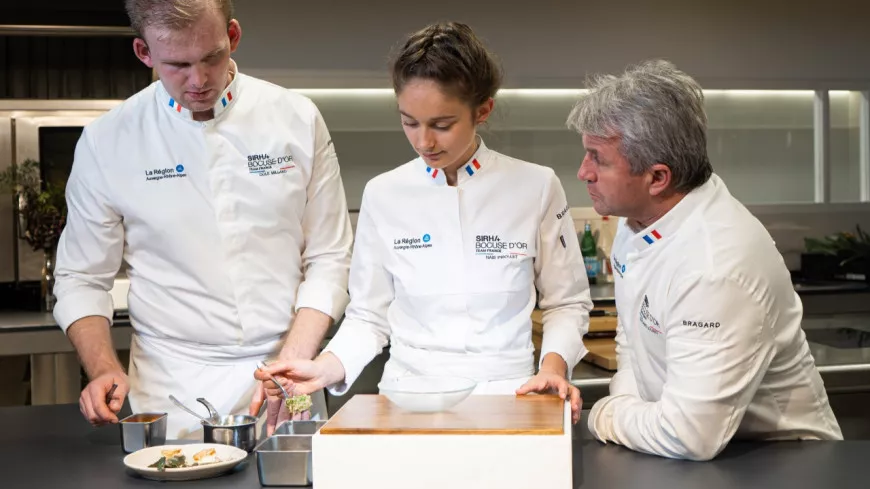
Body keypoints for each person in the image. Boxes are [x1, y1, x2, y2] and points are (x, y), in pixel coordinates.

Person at [256, 22, 591, 423]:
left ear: (483, 109)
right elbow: (368, 315)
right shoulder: (384, 194)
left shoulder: (536, 186)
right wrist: (326, 366)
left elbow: (566, 303)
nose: (423, 142)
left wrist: (552, 368)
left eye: (442, 125)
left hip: (507, 396)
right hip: (407, 398)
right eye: (409, 122)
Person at [53, 0, 352, 438]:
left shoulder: (296, 118)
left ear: (232, 36)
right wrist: (102, 368)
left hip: (289, 369)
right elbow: (81, 276)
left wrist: (291, 364)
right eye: (177, 64)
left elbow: (329, 256)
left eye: (212, 57)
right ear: (144, 53)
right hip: (172, 386)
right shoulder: (107, 141)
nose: (199, 80)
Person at [569, 60, 843, 460]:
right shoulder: (639, 225)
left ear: (658, 178)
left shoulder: (714, 266)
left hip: (779, 460)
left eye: (598, 159)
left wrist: (604, 416)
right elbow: (633, 341)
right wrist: (628, 405)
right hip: (682, 449)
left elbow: (688, 436)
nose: (583, 173)